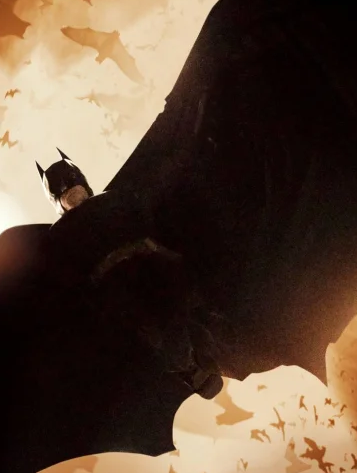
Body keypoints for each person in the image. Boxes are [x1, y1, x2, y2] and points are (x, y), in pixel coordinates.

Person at [37, 150, 224, 399]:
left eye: (75, 189)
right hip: (124, 295)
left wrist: (155, 250)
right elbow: (74, 281)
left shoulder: (113, 201)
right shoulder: (63, 234)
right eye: (67, 193)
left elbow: (146, 225)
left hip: (149, 278)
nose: (73, 193)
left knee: (176, 316)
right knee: (162, 326)